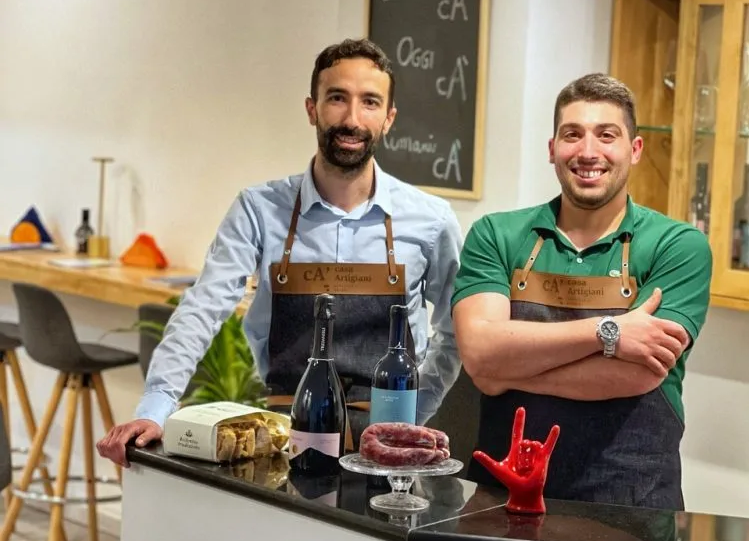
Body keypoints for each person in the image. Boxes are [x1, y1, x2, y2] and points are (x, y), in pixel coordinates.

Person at [97, 38, 463, 467]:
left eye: (369, 103)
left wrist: (413, 415)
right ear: (312, 108)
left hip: (388, 450)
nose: (352, 118)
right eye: (337, 99)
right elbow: (202, 307)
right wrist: (155, 407)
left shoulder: (431, 220)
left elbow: (455, 333)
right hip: (280, 439)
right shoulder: (259, 209)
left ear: (388, 119)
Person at [452, 73, 712, 510]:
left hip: (632, 505)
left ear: (635, 149)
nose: (588, 151)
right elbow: (479, 351)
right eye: (572, 134)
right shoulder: (496, 234)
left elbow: (640, 374)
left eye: (606, 135)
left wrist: (506, 370)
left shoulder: (678, 245)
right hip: (503, 498)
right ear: (552, 148)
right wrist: (609, 332)